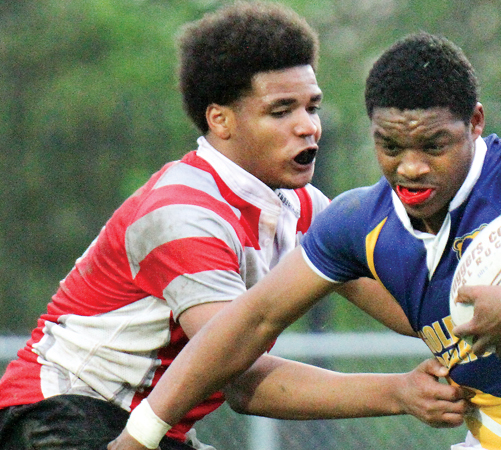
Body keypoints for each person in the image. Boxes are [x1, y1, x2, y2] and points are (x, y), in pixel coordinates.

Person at [110, 32, 501, 450]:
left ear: (476, 123)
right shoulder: (356, 223)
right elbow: (251, 320)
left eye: (434, 145)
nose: (410, 167)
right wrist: (141, 435)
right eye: (390, 145)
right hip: (499, 438)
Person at [0, 5, 469, 450]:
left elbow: (413, 309)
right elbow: (241, 380)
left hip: (144, 428)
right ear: (219, 120)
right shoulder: (183, 214)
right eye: (281, 111)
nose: (308, 127)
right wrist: (399, 393)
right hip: (58, 417)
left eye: (313, 107)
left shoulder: (304, 207)